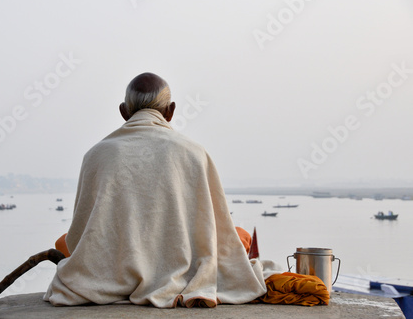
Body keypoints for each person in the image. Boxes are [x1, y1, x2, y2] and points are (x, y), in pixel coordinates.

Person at [44, 72, 276, 308]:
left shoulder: (96, 155)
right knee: (239, 236)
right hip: (182, 269)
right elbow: (214, 229)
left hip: (109, 273)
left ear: (124, 111)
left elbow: (79, 236)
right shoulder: (194, 153)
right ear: (170, 111)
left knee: (62, 242)